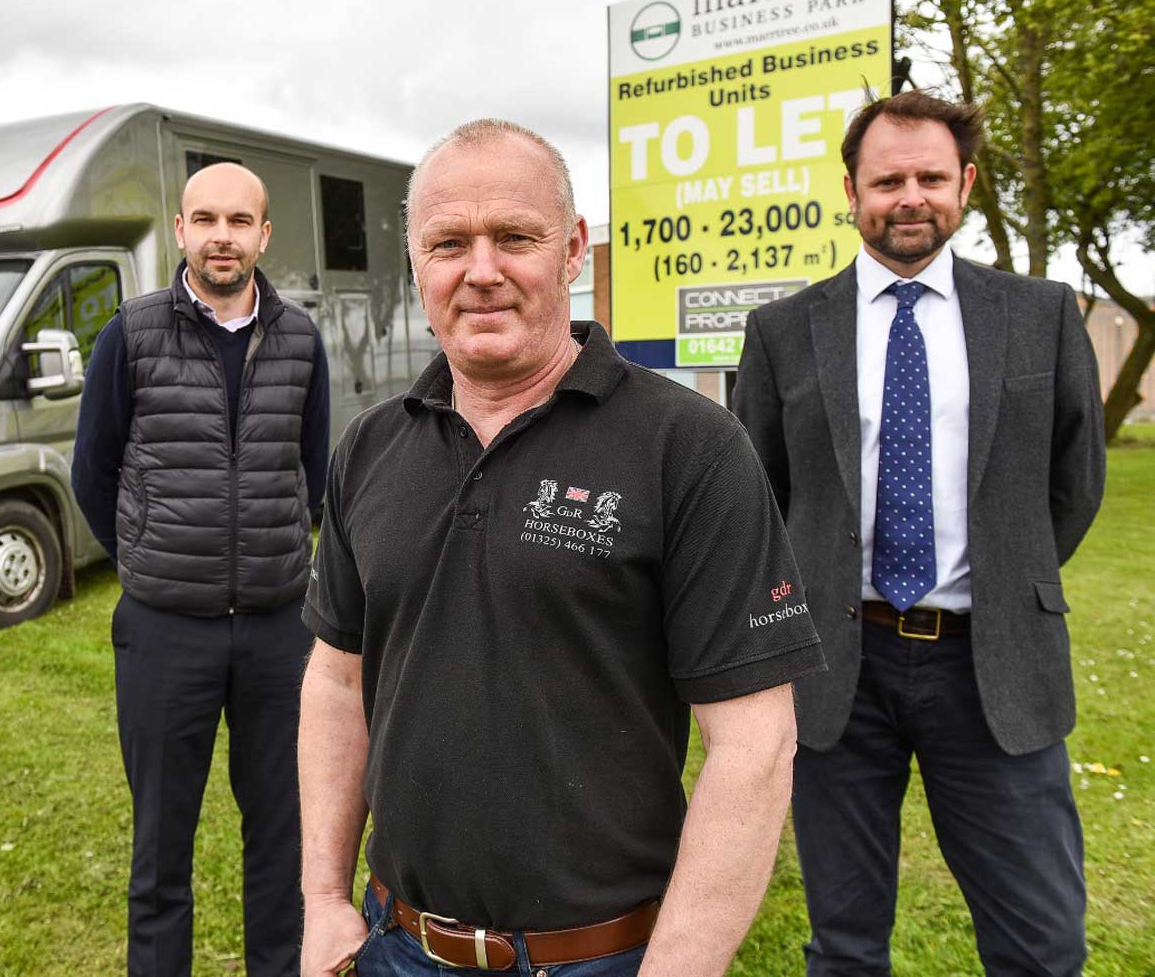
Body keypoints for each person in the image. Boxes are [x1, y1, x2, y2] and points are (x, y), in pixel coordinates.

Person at [298, 119, 827, 977]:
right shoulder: (369, 449)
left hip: (603, 959)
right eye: (448, 243)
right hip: (397, 947)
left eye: (515, 237)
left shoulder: (689, 447)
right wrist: (323, 901)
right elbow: (335, 677)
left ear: (574, 248)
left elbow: (754, 745)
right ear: (415, 261)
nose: (481, 271)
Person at [732, 90, 1106, 976]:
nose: (911, 196)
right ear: (851, 192)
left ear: (965, 184)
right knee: (846, 945)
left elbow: (1074, 483)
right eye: (888, 179)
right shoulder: (784, 331)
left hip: (995, 669)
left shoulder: (1042, 315)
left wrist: (1011, 577)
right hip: (836, 673)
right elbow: (760, 497)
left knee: (1042, 944)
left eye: (931, 177)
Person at [72, 161, 331, 977]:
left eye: (239, 220)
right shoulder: (133, 331)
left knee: (283, 846)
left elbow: (314, 470)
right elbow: (94, 470)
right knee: (160, 854)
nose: (223, 235)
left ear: (263, 235)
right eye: (206, 219)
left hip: (277, 634)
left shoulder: (300, 338)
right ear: (181, 231)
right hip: (162, 634)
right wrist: (147, 560)